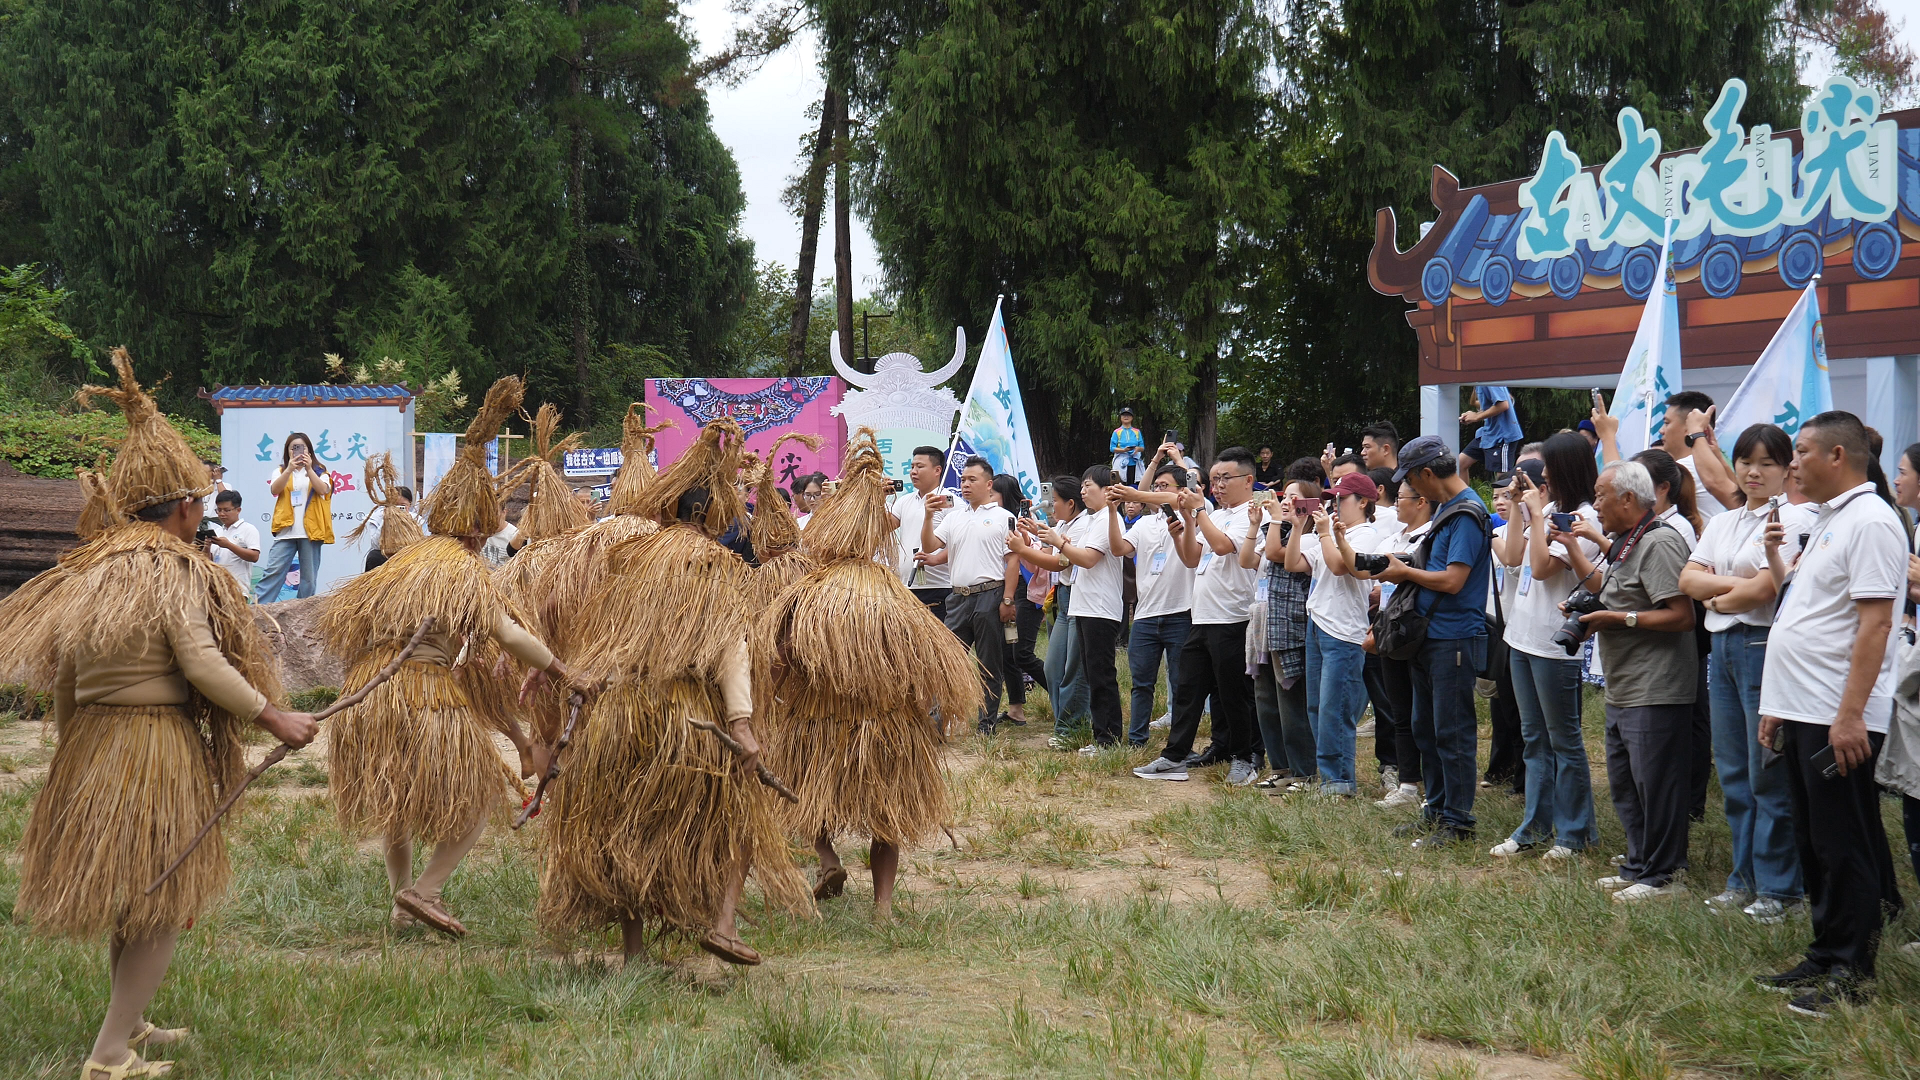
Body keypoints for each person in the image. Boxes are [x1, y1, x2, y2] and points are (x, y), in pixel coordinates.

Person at [1, 349, 319, 1079]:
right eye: (201, 505)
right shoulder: (175, 567)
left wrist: (76, 750)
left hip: (96, 744)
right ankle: (109, 1055)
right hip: (151, 745)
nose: (203, 514)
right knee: (163, 889)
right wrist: (274, 718)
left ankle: (131, 1021)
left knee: (135, 891)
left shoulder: (94, 569)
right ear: (184, 508)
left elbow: (67, 676)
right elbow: (203, 663)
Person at [319, 378, 581, 940]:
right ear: (482, 525)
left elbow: (349, 624)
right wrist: (559, 669)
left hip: (366, 692)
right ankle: (425, 890)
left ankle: (399, 901)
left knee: (398, 801)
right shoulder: (464, 570)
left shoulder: (401, 563)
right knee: (480, 794)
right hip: (420, 689)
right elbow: (505, 633)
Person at [541, 417, 809, 966]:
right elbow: (729, 643)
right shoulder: (712, 562)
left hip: (619, 710)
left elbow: (600, 633)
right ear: (707, 514)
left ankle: (635, 951)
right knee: (737, 816)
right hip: (683, 713)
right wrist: (740, 721)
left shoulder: (629, 559)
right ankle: (722, 926)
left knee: (627, 822)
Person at [764, 430, 982, 918]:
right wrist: (932, 713)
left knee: (804, 799)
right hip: (887, 724)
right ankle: (882, 905)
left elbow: (778, 658)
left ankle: (826, 859)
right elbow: (937, 668)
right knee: (887, 815)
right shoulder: (897, 599)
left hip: (818, 721)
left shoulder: (808, 595)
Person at [1755, 412, 1908, 1016]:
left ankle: (1852, 970)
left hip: (1836, 713)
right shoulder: (1830, 521)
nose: (1791, 464)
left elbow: (1875, 623)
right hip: (1805, 707)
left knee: (1845, 840)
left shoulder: (1871, 522)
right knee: (1815, 839)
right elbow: (1804, 613)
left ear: (1838, 456)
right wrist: (1777, 708)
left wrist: (1849, 716)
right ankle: (1825, 952)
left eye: (1800, 452)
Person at [1679, 423, 1812, 922]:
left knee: (1767, 771)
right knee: (1734, 771)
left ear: (1786, 469)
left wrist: (1716, 590)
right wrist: (1726, 588)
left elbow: (1763, 592)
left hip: (1762, 646)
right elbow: (1686, 579)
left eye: (1767, 463)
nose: (1754, 472)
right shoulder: (1725, 521)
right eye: (1746, 462)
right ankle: (1745, 878)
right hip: (1724, 645)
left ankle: (1781, 890)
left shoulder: (1797, 518)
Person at [1569, 460, 1696, 903]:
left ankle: (1665, 875)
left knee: (1656, 783)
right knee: (1626, 782)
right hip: (1626, 683)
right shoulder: (1625, 542)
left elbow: (1681, 615)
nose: (1596, 504)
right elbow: (1620, 594)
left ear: (1628, 498)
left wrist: (1618, 617)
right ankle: (1640, 863)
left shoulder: (1659, 542)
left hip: (1656, 685)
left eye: (1602, 495)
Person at [1373, 435, 1493, 848]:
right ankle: (1437, 810)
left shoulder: (1466, 514)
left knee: (1452, 732)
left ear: (1427, 474)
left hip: (1453, 638)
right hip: (1429, 637)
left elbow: (1454, 581)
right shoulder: (1447, 510)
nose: (1410, 491)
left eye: (1411, 481)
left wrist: (1404, 573)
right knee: (1426, 727)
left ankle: (1458, 822)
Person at [1489, 433, 1599, 860]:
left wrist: (1535, 514)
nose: (1542, 474)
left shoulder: (1585, 518)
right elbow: (1513, 557)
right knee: (1533, 739)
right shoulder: (1547, 509)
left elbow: (1541, 567)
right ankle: (1534, 827)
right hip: (1521, 637)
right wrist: (1522, 510)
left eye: (1548, 467)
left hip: (1555, 644)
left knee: (1563, 741)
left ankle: (1574, 834)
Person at [1133, 447, 1262, 785]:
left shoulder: (1253, 513)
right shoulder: (1215, 515)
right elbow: (1192, 558)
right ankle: (1174, 757)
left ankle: (1244, 757)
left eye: (1224, 479)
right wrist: (1184, 529)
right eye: (1214, 479)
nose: (1217, 485)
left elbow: (1222, 547)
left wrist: (1199, 511)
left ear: (1248, 480)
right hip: (1201, 615)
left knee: (1234, 694)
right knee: (1187, 690)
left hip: (1233, 617)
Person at [1283, 471, 1380, 795]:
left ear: (1363, 502)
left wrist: (1326, 533)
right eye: (1332, 498)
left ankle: (1339, 780)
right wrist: (1299, 528)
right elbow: (1292, 562)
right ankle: (1329, 777)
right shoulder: (1332, 532)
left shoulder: (1367, 535)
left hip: (1344, 632)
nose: (1334, 504)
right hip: (1318, 624)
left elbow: (1341, 566)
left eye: (1341, 498)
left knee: (1335, 708)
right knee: (1316, 706)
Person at [1021, 466, 1127, 750]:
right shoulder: (1094, 520)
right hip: (1083, 603)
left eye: (1088, 484)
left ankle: (1107, 739)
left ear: (1108, 490)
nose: (1083, 490)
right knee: (1089, 673)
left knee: (1098, 675)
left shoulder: (1106, 520)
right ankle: (1096, 734)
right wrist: (1050, 537)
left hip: (1100, 605)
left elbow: (1087, 559)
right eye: (1081, 484)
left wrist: (1057, 543)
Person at [921, 456, 1019, 734]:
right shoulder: (954, 517)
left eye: (972, 479)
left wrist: (1008, 599)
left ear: (989, 484)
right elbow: (930, 545)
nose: (965, 484)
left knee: (989, 664)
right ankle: (939, 720)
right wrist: (928, 516)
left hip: (990, 594)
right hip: (957, 598)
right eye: (963, 479)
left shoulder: (1003, 517)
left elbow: (1013, 560)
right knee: (947, 662)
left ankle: (986, 724)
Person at [1109, 465, 1194, 746]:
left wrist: (1137, 492)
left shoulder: (1188, 514)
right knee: (1141, 683)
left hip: (1181, 611)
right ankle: (1136, 740)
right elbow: (1120, 548)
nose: (1157, 491)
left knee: (1182, 684)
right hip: (1145, 615)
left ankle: (1179, 744)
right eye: (1155, 486)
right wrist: (1112, 512)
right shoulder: (1145, 523)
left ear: (1181, 490)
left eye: (1163, 485)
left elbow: (1175, 501)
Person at [1364, 484, 1433, 809]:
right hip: (1390, 630)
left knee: (1427, 713)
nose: (1394, 504)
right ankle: (1407, 785)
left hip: (1421, 632)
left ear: (1421, 501)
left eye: (1402, 498)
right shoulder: (1391, 540)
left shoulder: (1432, 537)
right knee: (1399, 711)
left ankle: (1434, 788)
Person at [1015, 477, 1092, 741]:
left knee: (1074, 670)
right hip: (1062, 597)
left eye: (1054, 501)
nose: (1050, 506)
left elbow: (1059, 563)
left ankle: (1071, 729)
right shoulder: (1062, 524)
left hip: (1079, 599)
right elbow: (1049, 555)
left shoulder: (1083, 525)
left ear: (1071, 504)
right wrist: (1031, 536)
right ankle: (1064, 724)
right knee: (1053, 669)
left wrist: (1023, 548)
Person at [988, 473, 1047, 727]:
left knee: (1022, 652)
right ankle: (1016, 710)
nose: (989, 498)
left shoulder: (1023, 523)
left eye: (993, 494)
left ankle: (1064, 696)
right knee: (1006, 652)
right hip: (1003, 590)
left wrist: (1022, 540)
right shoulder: (988, 520)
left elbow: (1032, 564)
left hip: (1025, 593)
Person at [255, 431, 334, 601]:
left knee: (308, 578)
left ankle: (302, 615)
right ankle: (259, 610)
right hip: (286, 530)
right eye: (293, 448)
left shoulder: (321, 472)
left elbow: (323, 490)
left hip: (311, 532)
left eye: (301, 448)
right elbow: (275, 490)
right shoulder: (281, 470)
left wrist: (309, 468)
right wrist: (290, 469)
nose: (297, 451)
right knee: (273, 572)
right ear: (288, 451)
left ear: (309, 451)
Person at [894, 445, 954, 619]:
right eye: (912, 467)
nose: (913, 471)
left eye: (920, 467)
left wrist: (936, 559)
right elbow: (882, 526)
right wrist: (878, 497)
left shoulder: (950, 501)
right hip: (906, 587)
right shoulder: (905, 501)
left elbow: (963, 542)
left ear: (937, 470)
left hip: (939, 587)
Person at [1458, 385, 1524, 477]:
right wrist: (1472, 415)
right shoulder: (1479, 382)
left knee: (1502, 479)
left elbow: (1503, 405)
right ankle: (1465, 492)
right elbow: (1486, 407)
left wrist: (1476, 417)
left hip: (1502, 436)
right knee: (1459, 464)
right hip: (1486, 434)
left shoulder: (1490, 379)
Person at [205, 489, 261, 595]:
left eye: (226, 510)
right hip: (216, 590)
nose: (222, 514)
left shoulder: (248, 529)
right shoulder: (218, 531)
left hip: (238, 590)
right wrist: (206, 548)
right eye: (219, 510)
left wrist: (228, 545)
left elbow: (254, 557)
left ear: (238, 510)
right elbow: (209, 562)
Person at [1111, 407, 1145, 485]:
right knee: (1120, 484)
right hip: (1120, 462)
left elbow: (1142, 447)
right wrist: (1123, 450)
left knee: (1134, 484)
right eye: (1124, 415)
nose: (1126, 417)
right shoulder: (1117, 432)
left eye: (1128, 415)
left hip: (1134, 462)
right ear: (1120, 417)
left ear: (1132, 417)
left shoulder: (1137, 431)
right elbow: (1112, 448)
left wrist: (1137, 449)